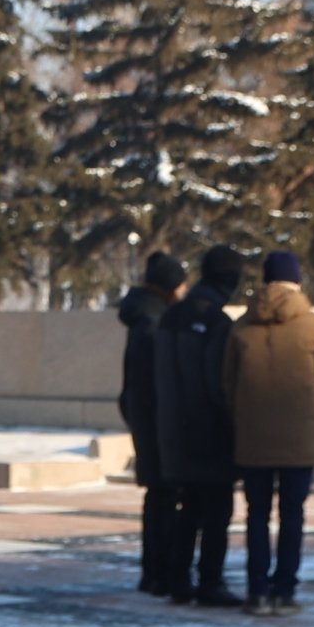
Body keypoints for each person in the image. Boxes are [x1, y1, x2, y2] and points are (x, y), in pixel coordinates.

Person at [224, 251, 314, 616]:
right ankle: (285, 592)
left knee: (257, 515)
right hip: (301, 439)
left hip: (253, 439)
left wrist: (237, 429)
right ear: (297, 281)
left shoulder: (242, 327)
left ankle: (257, 592)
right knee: (292, 515)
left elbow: (227, 387)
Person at [153, 245, 245, 608]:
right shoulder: (217, 321)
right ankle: (210, 579)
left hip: (173, 429)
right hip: (208, 432)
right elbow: (217, 384)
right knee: (217, 511)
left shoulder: (171, 317)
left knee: (189, 509)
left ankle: (178, 578)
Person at [117, 252, 186, 594]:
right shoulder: (154, 322)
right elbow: (155, 380)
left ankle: (154, 571)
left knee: (159, 496)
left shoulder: (145, 315)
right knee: (164, 496)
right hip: (157, 420)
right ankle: (159, 572)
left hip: (146, 418)